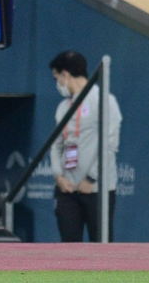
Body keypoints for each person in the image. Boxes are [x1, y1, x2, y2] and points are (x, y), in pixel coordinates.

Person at [49, 51, 122, 242]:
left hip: (97, 190)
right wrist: (58, 176)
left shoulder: (105, 100)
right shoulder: (63, 108)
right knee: (69, 249)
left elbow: (110, 144)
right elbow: (55, 146)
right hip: (67, 191)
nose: (58, 84)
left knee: (101, 250)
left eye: (57, 78)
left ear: (65, 75)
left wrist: (92, 178)